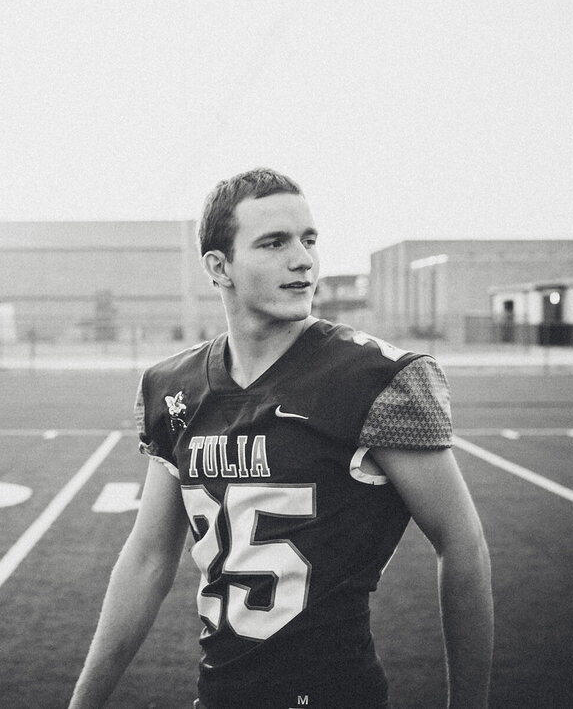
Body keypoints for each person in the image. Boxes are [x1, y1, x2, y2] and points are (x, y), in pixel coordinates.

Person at [69, 168, 493, 709]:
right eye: (274, 243)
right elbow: (149, 558)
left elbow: (462, 545)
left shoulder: (376, 378)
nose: (304, 260)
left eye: (309, 240)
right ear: (218, 267)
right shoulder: (172, 387)